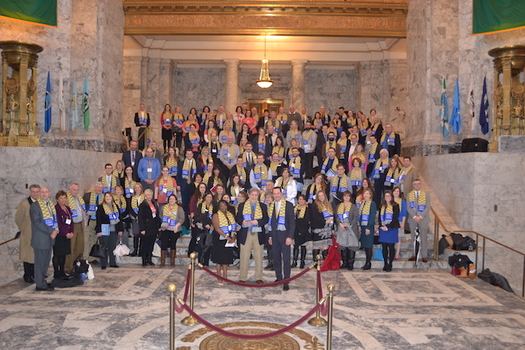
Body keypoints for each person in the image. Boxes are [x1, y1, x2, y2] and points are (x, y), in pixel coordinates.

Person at [236, 188, 268, 284]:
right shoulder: (241, 206)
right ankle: (242, 277)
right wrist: (242, 221)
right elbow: (237, 217)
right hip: (246, 233)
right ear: (249, 195)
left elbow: (266, 219)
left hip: (258, 234)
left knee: (258, 257)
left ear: (258, 196)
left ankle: (259, 277)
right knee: (244, 256)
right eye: (252, 195)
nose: (254, 197)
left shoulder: (263, 206)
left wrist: (258, 222)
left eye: (256, 195)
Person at [30, 186, 59, 291]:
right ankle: (40, 285)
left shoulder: (50, 205)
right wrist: (51, 231)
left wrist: (55, 230)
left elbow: (54, 220)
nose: (44, 194)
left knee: (46, 262)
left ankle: (42, 281)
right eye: (42, 192)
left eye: (46, 192)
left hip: (50, 238)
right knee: (40, 262)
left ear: (49, 193)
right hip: (41, 239)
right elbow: (37, 223)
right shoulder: (35, 206)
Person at [268, 187, 295, 291]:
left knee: (286, 259)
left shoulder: (288, 205)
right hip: (274, 236)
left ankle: (286, 281)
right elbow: (271, 222)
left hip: (285, 236)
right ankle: (278, 278)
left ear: (281, 193)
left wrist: (290, 237)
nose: (276, 195)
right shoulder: (271, 205)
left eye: (278, 193)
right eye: (274, 194)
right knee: (276, 258)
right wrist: (270, 236)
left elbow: (292, 223)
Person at [15, 184, 40, 284]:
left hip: (39, 234)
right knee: (28, 256)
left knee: (37, 255)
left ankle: (35, 273)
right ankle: (28, 275)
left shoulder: (41, 203)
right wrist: (24, 229)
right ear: (30, 192)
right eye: (33, 191)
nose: (35, 193)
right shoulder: (24, 204)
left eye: (37, 191)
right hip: (28, 234)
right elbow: (18, 219)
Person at [211, 200, 237, 285]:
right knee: (219, 259)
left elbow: (234, 226)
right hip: (219, 238)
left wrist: (233, 236)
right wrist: (227, 237)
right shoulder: (216, 215)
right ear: (219, 207)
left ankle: (225, 276)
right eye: (221, 205)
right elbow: (217, 228)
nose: (223, 207)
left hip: (228, 239)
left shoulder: (230, 214)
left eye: (225, 205)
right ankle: (219, 277)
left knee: (226, 258)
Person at [95, 192, 123, 269]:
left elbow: (119, 218)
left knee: (112, 247)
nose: (108, 198)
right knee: (103, 247)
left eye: (109, 196)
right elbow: (99, 220)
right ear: (104, 198)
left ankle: (112, 263)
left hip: (114, 229)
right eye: (106, 196)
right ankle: (103, 264)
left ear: (112, 198)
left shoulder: (115, 206)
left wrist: (120, 229)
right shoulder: (101, 207)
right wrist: (99, 231)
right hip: (104, 230)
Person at [407, 179, 431, 263]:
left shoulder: (426, 194)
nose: (417, 185)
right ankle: (414, 254)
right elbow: (408, 207)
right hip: (412, 219)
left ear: (420, 184)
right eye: (415, 184)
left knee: (424, 237)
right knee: (413, 237)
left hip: (423, 219)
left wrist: (420, 216)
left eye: (418, 184)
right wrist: (414, 216)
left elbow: (428, 206)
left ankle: (424, 255)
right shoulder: (409, 195)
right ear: (413, 185)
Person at [65, 183, 87, 274]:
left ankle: (76, 265)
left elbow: (82, 210)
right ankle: (68, 267)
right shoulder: (66, 199)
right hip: (71, 225)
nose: (76, 191)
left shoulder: (78, 198)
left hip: (79, 224)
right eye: (74, 190)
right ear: (70, 189)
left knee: (79, 246)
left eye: (77, 190)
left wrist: (85, 219)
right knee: (71, 247)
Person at [335, 191, 359, 270]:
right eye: (345, 196)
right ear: (342, 197)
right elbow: (336, 217)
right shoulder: (339, 206)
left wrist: (349, 225)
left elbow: (355, 217)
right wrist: (340, 224)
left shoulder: (353, 206)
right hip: (341, 228)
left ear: (350, 197)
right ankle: (344, 262)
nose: (346, 197)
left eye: (348, 196)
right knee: (343, 246)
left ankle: (350, 263)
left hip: (351, 228)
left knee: (351, 246)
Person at [159, 194, 185, 267]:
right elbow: (160, 215)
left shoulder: (179, 208)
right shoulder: (164, 207)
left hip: (174, 228)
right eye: (170, 199)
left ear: (176, 200)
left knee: (173, 244)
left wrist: (176, 225)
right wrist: (165, 221)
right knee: (164, 244)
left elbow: (182, 219)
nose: (171, 200)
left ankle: (172, 261)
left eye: (173, 199)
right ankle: (162, 261)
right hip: (165, 228)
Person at [138, 189, 162, 267]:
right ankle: (144, 259)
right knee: (145, 244)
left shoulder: (154, 203)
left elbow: (157, 215)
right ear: (145, 196)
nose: (149, 196)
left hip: (154, 227)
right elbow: (140, 217)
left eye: (151, 195)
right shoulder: (143, 205)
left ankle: (149, 258)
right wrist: (142, 229)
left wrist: (159, 226)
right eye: (148, 195)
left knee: (151, 243)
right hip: (146, 227)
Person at [53, 191, 74, 278]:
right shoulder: (55, 209)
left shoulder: (68, 208)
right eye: (61, 198)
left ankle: (62, 271)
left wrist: (71, 232)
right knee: (58, 254)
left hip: (68, 235)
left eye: (64, 198)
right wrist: (65, 233)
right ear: (57, 199)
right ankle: (56, 272)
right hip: (59, 235)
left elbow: (71, 221)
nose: (63, 200)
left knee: (64, 254)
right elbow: (58, 223)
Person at [378, 190, 400, 272]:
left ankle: (390, 263)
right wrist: (381, 226)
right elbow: (379, 218)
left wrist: (388, 226)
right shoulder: (381, 206)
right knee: (384, 247)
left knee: (391, 247)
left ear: (391, 197)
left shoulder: (395, 205)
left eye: (389, 196)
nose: (387, 197)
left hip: (392, 228)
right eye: (386, 196)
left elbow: (395, 218)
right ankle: (385, 263)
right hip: (383, 229)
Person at [310, 190, 334, 260]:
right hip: (318, 228)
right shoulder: (315, 205)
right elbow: (315, 217)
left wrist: (332, 228)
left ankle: (325, 263)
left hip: (327, 229)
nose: (321, 197)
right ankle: (315, 263)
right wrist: (325, 221)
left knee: (325, 246)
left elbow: (332, 216)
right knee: (317, 245)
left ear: (325, 196)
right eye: (319, 196)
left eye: (322, 195)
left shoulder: (329, 205)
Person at [83, 182, 104, 263]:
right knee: (86, 239)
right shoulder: (87, 196)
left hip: (97, 222)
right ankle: (85, 258)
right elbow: (83, 207)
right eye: (98, 187)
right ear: (95, 187)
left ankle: (91, 258)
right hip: (89, 221)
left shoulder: (103, 197)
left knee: (94, 240)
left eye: (101, 188)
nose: (99, 189)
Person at [358, 188, 377, 270]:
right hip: (362, 226)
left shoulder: (372, 204)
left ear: (370, 195)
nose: (366, 195)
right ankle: (366, 262)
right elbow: (360, 215)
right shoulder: (362, 203)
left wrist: (369, 227)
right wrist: (359, 226)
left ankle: (368, 262)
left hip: (368, 226)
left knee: (369, 246)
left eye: (367, 193)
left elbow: (372, 216)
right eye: (364, 193)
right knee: (365, 245)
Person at [292, 194, 312, 269]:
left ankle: (302, 261)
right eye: (300, 199)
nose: (301, 201)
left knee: (303, 246)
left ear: (305, 201)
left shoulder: (307, 209)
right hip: (295, 230)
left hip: (303, 230)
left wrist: (297, 221)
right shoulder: (294, 208)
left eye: (303, 199)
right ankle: (294, 261)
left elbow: (306, 220)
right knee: (295, 246)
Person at [130, 182, 144, 257]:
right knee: (135, 234)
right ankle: (135, 250)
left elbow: (145, 208)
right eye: (136, 188)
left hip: (143, 218)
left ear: (141, 188)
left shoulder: (144, 197)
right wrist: (136, 216)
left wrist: (140, 217)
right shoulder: (132, 197)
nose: (137, 189)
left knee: (141, 234)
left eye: (139, 187)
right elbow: (131, 208)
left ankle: (141, 250)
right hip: (134, 218)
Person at [392, 186, 407, 260]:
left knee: (398, 238)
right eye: (395, 191)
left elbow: (404, 213)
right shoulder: (389, 200)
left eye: (398, 191)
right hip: (390, 222)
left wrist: (403, 223)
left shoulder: (402, 201)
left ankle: (397, 254)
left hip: (399, 221)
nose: (396, 192)